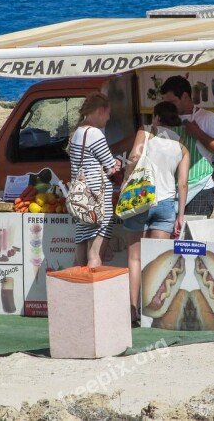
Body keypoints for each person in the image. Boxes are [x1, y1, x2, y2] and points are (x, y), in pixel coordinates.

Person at [123, 101, 189, 325]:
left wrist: (125, 182)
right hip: (166, 205)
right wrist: (180, 214)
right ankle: (154, 315)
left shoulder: (146, 131)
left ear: (157, 118)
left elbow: (133, 157)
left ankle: (132, 312)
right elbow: (183, 184)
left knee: (134, 258)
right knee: (157, 260)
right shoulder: (182, 147)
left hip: (140, 200)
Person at [160, 75, 214, 216]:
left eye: (172, 102)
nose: (168, 107)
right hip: (173, 189)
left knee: (191, 235)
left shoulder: (207, 118)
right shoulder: (166, 119)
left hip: (200, 190)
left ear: (185, 96)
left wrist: (198, 133)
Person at [69, 92, 122, 268]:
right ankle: (93, 294)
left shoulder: (78, 132)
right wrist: (118, 163)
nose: (108, 118)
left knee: (80, 257)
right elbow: (110, 167)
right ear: (101, 110)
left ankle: (77, 293)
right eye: (108, 114)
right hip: (97, 202)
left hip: (82, 200)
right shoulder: (94, 134)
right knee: (95, 256)